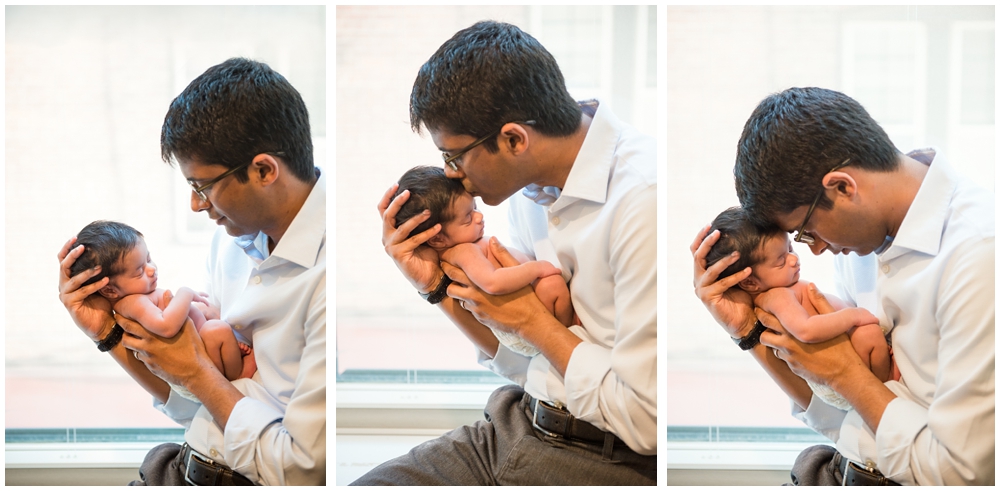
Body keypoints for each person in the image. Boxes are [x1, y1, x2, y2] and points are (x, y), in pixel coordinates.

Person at [365, 21, 656, 485]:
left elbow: (647, 423)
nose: (451, 175)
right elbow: (522, 360)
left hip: (608, 456)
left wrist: (533, 322)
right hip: (518, 422)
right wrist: (436, 287)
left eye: (454, 157)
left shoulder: (643, 200)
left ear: (514, 139)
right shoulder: (527, 187)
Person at [692, 87, 994, 485]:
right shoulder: (863, 241)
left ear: (842, 187)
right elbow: (842, 415)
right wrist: (747, 331)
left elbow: (962, 473)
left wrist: (846, 376)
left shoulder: (979, 258)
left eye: (805, 231)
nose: (815, 250)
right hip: (841, 468)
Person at [57, 57, 325, 485]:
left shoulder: (326, 278)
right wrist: (106, 335)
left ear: (263, 170)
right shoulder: (231, 241)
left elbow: (303, 471)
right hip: (185, 462)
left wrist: (197, 373)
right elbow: (193, 403)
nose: (196, 205)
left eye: (202, 186)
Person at [705, 206, 894, 410]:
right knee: (868, 333)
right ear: (750, 283)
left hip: (845, 369)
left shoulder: (785, 289)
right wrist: (854, 316)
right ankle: (888, 382)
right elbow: (806, 329)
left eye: (790, 249)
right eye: (781, 261)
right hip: (842, 377)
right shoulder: (777, 296)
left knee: (868, 334)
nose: (794, 260)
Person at [393, 165, 574, 356]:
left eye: (475, 208)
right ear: (438, 238)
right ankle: (569, 328)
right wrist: (537, 268)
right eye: (467, 218)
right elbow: (493, 282)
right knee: (552, 284)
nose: (479, 217)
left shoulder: (469, 244)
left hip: (523, 321)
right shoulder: (464, 251)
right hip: (520, 329)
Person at [69, 220, 256, 391]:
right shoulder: (133, 303)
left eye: (148, 259)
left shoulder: (141, 295)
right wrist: (185, 292)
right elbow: (167, 326)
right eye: (139, 271)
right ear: (110, 291)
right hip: (199, 363)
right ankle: (237, 373)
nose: (151, 269)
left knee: (209, 317)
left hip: (200, 352)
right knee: (217, 329)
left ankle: (229, 353)